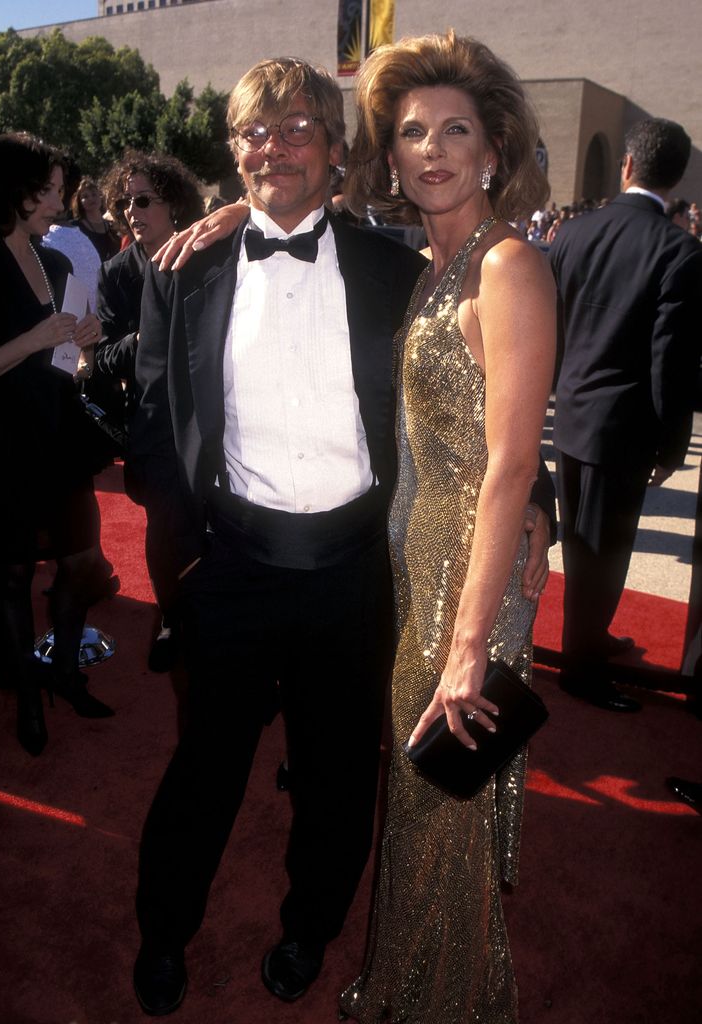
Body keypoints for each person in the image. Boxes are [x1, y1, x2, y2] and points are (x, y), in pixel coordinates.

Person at [128, 54, 555, 1018]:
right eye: (252, 133)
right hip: (231, 566)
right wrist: (184, 564)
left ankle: (308, 929)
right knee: (203, 771)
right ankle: (164, 931)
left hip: (356, 575)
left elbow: (486, 399)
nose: (271, 149)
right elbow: (158, 428)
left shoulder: (396, 268)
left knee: (334, 781)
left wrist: (541, 497)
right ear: (233, 153)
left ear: (334, 150)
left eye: (294, 131)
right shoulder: (185, 268)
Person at [322, 31, 555, 1022]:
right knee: (421, 804)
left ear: (492, 148)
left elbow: (508, 464)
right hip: (418, 561)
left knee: (436, 800)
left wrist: (469, 643)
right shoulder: (429, 263)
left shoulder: (505, 267)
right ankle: (413, 984)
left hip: (471, 575)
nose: (430, 148)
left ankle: (444, 998)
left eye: (454, 129)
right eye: (411, 131)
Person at [551, 118, 702, 713]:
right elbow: (673, 360)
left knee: (586, 547)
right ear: (674, 176)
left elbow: (555, 326)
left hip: (571, 415)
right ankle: (581, 671)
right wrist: (671, 444)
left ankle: (589, 639)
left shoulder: (573, 232)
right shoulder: (680, 251)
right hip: (625, 428)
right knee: (607, 550)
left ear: (627, 166)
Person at [0, 132, 114, 757]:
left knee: (79, 560)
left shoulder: (59, 260)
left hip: (60, 433)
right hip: (5, 443)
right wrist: (36, 339)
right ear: (14, 190)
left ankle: (65, 670)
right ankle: (28, 698)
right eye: (48, 190)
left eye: (61, 189)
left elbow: (75, 361)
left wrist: (85, 342)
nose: (59, 202)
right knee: (12, 573)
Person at [95, 151, 204, 670]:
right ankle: (170, 615)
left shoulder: (204, 256)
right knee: (163, 525)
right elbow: (105, 357)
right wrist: (152, 330)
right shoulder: (118, 272)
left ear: (172, 204)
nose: (132, 212)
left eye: (143, 200)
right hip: (154, 424)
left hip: (207, 422)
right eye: (125, 203)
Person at [71, 177, 120, 262]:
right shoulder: (76, 228)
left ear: (100, 196)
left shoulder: (113, 226)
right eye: (85, 196)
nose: (91, 198)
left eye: (94, 194)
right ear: (79, 202)